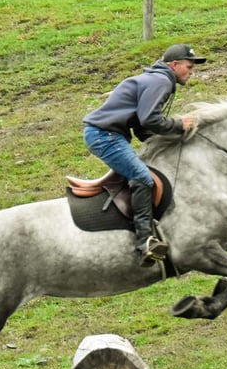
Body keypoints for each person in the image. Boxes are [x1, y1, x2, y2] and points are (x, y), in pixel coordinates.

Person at [82, 44, 207, 267]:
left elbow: (142, 126)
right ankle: (146, 242)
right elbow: (149, 119)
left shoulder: (156, 79)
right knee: (141, 176)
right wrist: (179, 125)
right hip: (105, 135)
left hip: (108, 134)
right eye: (189, 66)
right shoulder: (161, 81)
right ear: (174, 65)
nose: (192, 71)